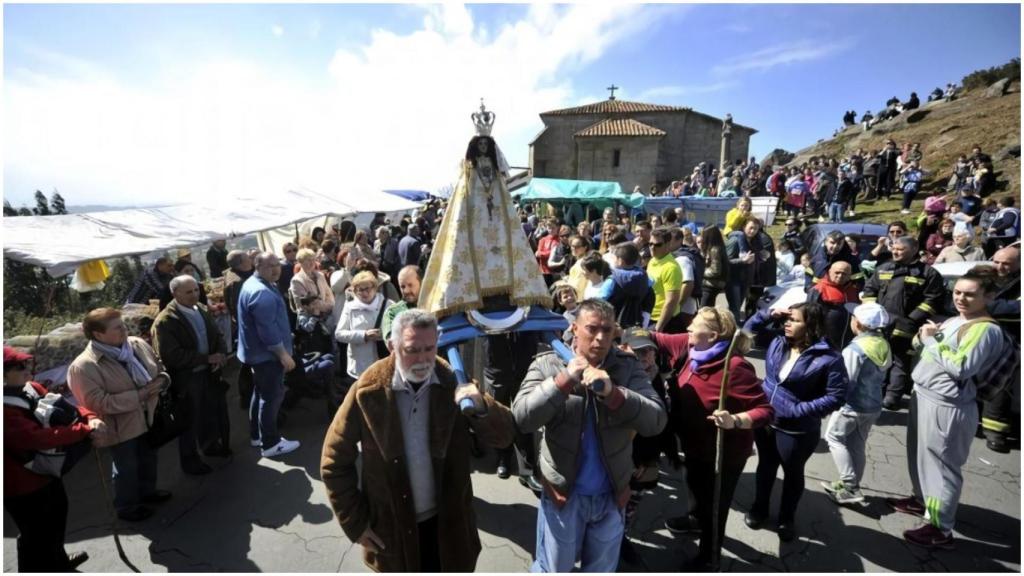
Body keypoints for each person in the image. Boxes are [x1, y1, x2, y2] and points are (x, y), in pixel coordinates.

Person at [320, 309, 515, 572]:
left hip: (450, 528)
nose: (423, 359)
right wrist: (355, 523)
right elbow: (333, 462)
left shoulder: (453, 382)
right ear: (392, 346)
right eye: (412, 350)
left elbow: (505, 436)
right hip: (392, 534)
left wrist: (482, 406)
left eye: (429, 349)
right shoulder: (368, 391)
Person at [513, 299, 666, 572]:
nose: (600, 338)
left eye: (607, 331)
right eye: (592, 329)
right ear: (574, 328)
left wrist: (614, 394)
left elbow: (656, 420)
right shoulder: (548, 363)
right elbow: (523, 418)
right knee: (554, 569)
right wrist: (562, 381)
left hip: (612, 496)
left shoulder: (627, 367)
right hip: (563, 497)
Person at [889, 268, 1008, 549]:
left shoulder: (986, 330)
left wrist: (931, 339)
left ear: (989, 296)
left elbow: (963, 367)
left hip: (948, 404)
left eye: (970, 294)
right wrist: (923, 337)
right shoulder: (957, 319)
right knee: (920, 456)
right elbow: (929, 349)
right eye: (957, 292)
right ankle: (922, 500)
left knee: (942, 467)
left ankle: (940, 528)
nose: (961, 298)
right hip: (925, 395)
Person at [651, 308, 772, 569]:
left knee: (714, 508)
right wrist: (614, 331)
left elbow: (765, 410)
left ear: (713, 335)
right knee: (693, 485)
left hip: (724, 454)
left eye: (695, 326)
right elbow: (655, 338)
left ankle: (710, 558)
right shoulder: (689, 346)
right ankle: (695, 521)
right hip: (693, 444)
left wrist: (736, 420)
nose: (689, 330)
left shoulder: (735, 367)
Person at [742, 303, 849, 541]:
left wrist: (799, 410)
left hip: (797, 430)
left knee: (792, 473)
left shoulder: (829, 358)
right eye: (787, 319)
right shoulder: (778, 341)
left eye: (795, 320)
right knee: (766, 466)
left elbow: (836, 396)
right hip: (767, 420)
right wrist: (766, 314)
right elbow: (745, 333)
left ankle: (786, 518)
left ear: (811, 325)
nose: (788, 324)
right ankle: (759, 508)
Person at [68, 308, 172, 522]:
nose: (125, 330)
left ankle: (147, 493)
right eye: (118, 327)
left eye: (123, 325)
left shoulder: (136, 345)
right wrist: (140, 395)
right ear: (98, 335)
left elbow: (158, 365)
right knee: (127, 467)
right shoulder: (84, 366)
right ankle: (127, 506)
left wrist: (162, 380)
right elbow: (97, 403)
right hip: (121, 427)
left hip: (149, 417)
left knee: (148, 458)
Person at [5, 347, 101, 571]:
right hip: (20, 484)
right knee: (34, 532)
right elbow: (34, 438)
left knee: (55, 519)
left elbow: (65, 407)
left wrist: (90, 417)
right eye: (19, 367)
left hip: (46, 472)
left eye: (26, 364)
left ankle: (58, 561)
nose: (27, 370)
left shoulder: (30, 388)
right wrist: (82, 430)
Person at [151, 275, 230, 477]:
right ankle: (190, 461)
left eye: (196, 290)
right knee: (189, 421)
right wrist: (206, 359)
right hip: (187, 379)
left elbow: (217, 335)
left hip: (208, 374)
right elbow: (172, 355)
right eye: (189, 292)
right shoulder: (166, 321)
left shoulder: (201, 309)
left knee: (209, 412)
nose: (195, 295)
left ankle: (210, 445)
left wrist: (220, 355)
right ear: (174, 293)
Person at [862, 237, 945, 411]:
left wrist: (912, 318)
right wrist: (871, 314)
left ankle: (893, 396)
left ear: (914, 249)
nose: (895, 251)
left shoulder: (928, 273)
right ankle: (876, 390)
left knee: (900, 362)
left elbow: (933, 300)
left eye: (900, 249)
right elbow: (870, 290)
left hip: (907, 325)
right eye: (894, 248)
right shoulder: (884, 268)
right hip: (881, 324)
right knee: (878, 359)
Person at [821, 303, 892, 504]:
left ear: (858, 324)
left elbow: (847, 380)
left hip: (852, 406)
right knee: (857, 445)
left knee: (833, 438)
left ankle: (849, 485)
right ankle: (853, 484)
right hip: (873, 405)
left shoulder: (855, 349)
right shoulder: (883, 343)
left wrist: (834, 402)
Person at [237, 251, 300, 458]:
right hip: (267, 356)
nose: (276, 269)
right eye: (269, 266)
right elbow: (267, 331)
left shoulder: (255, 284)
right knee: (271, 397)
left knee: (261, 393)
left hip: (256, 354)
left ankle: (257, 435)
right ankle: (270, 443)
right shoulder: (261, 292)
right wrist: (283, 354)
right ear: (257, 267)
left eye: (277, 265)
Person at [982, 246, 1021, 453]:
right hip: (976, 337)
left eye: (1006, 263)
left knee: (999, 386)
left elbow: (1016, 310)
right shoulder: (983, 276)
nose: (1000, 267)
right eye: (997, 262)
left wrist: (982, 306)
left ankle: (995, 431)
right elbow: (956, 299)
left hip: (1008, 341)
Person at [334, 270, 393, 399]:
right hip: (359, 365)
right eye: (360, 290)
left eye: (368, 288)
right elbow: (339, 334)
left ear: (375, 288)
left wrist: (385, 335)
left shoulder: (389, 305)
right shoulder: (349, 307)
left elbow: (400, 331)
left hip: (383, 361)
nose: (364, 293)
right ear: (354, 291)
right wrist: (363, 335)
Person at [224, 249, 255, 408]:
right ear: (241, 263)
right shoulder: (238, 282)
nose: (250, 259)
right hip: (247, 329)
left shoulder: (232, 275)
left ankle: (247, 395)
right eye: (247, 258)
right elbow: (240, 309)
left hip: (243, 328)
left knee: (246, 363)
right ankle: (247, 397)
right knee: (248, 364)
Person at [807, 261, 861, 350]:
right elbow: (809, 315)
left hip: (848, 340)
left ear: (850, 275)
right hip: (826, 340)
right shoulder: (819, 289)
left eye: (844, 274)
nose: (840, 276)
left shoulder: (853, 290)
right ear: (830, 272)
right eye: (837, 273)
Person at [607, 242, 655, 329]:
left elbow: (600, 297)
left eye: (614, 258)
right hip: (637, 321)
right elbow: (651, 286)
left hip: (614, 323)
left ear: (620, 261)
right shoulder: (644, 277)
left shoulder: (612, 279)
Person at [647, 227, 684, 333]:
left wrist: (659, 326)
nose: (652, 247)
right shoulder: (652, 261)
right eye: (650, 244)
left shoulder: (671, 268)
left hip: (665, 322)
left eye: (658, 244)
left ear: (668, 245)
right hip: (651, 316)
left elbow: (671, 301)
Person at [381, 265, 423, 341]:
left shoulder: (436, 307)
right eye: (402, 287)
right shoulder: (392, 312)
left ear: (421, 282)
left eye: (410, 285)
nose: (406, 291)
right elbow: (392, 342)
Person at [700, 226, 729, 308]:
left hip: (711, 285)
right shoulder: (720, 247)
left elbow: (715, 271)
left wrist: (701, 271)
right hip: (716, 284)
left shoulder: (715, 250)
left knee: (703, 309)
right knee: (709, 308)